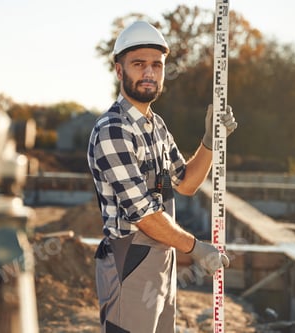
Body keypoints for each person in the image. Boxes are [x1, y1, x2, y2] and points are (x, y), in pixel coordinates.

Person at [86, 20, 238, 333]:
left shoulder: (156, 126)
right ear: (119, 71)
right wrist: (197, 248)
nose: (149, 73)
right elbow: (143, 214)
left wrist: (210, 141)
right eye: (138, 64)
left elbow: (186, 183)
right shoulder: (113, 130)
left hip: (162, 258)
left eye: (157, 65)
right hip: (130, 261)